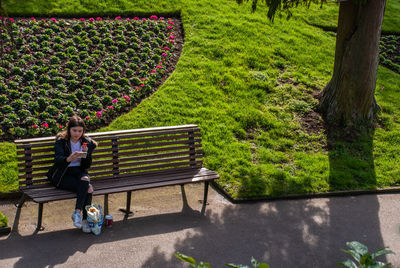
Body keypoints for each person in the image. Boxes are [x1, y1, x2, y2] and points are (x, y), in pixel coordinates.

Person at [47, 115, 98, 233]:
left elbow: (86, 166)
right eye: (74, 130)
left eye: (80, 131)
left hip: (79, 172)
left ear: (83, 131)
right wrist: (69, 159)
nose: (77, 133)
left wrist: (86, 155)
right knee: (88, 188)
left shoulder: (86, 143)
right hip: (62, 175)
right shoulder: (62, 142)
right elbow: (58, 160)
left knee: (85, 180)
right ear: (69, 129)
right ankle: (84, 219)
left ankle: (77, 214)